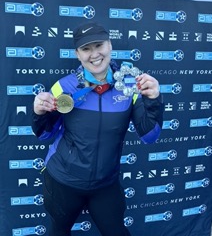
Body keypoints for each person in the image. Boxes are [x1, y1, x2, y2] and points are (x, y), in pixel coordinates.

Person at [32, 22, 164, 236]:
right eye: (86, 48)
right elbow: (44, 134)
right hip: (63, 182)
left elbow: (150, 136)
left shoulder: (131, 84)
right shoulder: (63, 87)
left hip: (105, 184)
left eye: (98, 45)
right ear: (77, 54)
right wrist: (38, 112)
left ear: (110, 45)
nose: (94, 54)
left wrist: (154, 100)